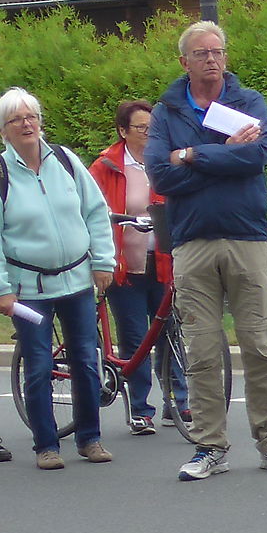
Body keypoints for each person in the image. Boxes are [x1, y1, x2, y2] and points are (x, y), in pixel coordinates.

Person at [146, 21, 267, 480]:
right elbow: (160, 174)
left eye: (218, 51)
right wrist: (221, 153)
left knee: (258, 346)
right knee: (202, 351)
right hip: (191, 241)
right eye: (201, 53)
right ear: (184, 62)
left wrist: (191, 155)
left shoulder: (248, 103)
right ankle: (209, 446)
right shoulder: (166, 111)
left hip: (245, 237)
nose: (211, 59)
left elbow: (256, 157)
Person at [0, 88, 116, 468]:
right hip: (28, 291)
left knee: (86, 361)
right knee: (39, 366)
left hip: (76, 282)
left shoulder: (65, 160)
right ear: (3, 131)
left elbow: (95, 211)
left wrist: (103, 261)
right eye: (16, 120)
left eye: (32, 117)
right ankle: (46, 445)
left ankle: (90, 438)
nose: (26, 124)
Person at [91, 100, 188, 434]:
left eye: (152, 127)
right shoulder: (106, 166)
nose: (149, 133)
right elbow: (91, 210)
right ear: (123, 131)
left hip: (163, 262)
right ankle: (140, 409)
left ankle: (178, 403)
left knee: (169, 333)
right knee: (135, 340)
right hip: (125, 266)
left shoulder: (165, 160)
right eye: (142, 128)